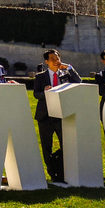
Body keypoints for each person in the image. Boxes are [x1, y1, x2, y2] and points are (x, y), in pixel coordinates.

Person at [32, 49, 81, 182]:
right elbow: (36, 94)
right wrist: (45, 92)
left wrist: (69, 68)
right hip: (45, 116)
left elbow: (78, 82)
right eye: (52, 59)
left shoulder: (65, 75)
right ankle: (52, 174)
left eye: (57, 58)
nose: (56, 61)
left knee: (66, 145)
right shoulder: (40, 76)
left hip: (62, 115)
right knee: (46, 146)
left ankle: (64, 172)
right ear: (46, 62)